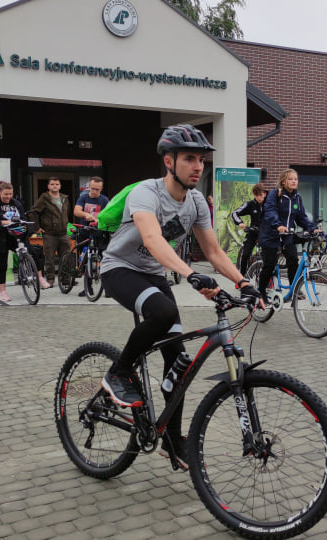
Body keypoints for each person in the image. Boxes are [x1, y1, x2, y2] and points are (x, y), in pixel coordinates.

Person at [99, 124, 262, 470]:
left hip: (155, 275)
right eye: (190, 159)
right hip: (120, 269)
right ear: (169, 162)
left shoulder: (197, 202)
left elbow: (214, 251)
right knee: (159, 312)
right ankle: (120, 372)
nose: (198, 167)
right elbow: (153, 239)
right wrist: (190, 275)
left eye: (201, 160)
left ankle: (172, 440)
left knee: (179, 363)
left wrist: (243, 282)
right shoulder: (145, 193)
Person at [257, 168, 318, 301]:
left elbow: (301, 217)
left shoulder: (297, 198)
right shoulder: (274, 194)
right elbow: (270, 210)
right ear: (283, 181)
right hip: (271, 233)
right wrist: (278, 225)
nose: (294, 181)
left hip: (287, 234)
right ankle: (260, 292)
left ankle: (293, 289)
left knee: (293, 260)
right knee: (270, 263)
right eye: (291, 179)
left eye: (295, 179)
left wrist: (312, 228)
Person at [0, 182, 50, 301]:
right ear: (0, 192)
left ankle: (40, 278)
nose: (8, 197)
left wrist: (23, 223)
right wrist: (3, 223)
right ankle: (3, 292)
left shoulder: (16, 203)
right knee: (2, 265)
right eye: (5, 194)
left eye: (10, 194)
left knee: (33, 252)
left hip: (15, 235)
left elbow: (23, 218)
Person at [31, 177, 71, 287]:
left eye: (57, 184)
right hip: (49, 233)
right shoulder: (44, 198)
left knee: (66, 256)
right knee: (50, 258)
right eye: (52, 184)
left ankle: (66, 280)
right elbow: (33, 212)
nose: (55, 186)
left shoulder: (65, 198)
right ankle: (50, 279)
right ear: (48, 186)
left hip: (63, 232)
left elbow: (67, 213)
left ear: (60, 186)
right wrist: (37, 227)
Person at [73, 176, 110, 296]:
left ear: (101, 189)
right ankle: (87, 288)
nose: (94, 191)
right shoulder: (83, 197)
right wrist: (85, 215)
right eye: (93, 188)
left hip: (98, 233)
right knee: (84, 260)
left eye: (97, 189)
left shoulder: (104, 200)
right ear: (89, 186)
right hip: (84, 232)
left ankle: (107, 288)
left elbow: (109, 214)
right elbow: (76, 211)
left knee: (104, 259)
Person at [231, 184, 267, 274]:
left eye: (260, 195)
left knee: (268, 256)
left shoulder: (269, 205)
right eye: (256, 195)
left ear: (264, 194)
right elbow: (235, 213)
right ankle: (241, 278)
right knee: (246, 254)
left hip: (266, 233)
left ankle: (269, 280)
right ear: (254, 195)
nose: (259, 197)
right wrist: (240, 222)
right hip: (253, 232)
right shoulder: (250, 204)